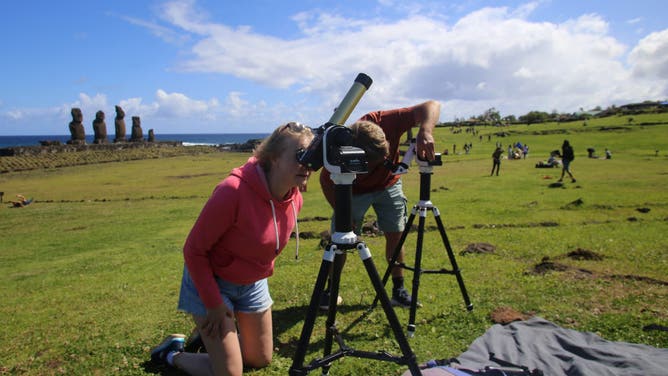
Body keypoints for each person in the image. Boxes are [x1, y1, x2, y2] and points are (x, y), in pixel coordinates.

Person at [151, 122, 314, 376]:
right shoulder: (232, 191)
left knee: (259, 359)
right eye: (299, 155)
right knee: (230, 373)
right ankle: (172, 354)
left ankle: (207, 341)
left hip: (252, 282)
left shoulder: (295, 197)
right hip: (212, 281)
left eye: (310, 156)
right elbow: (193, 250)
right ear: (273, 158)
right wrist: (213, 304)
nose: (307, 164)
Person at [319, 100, 441, 309]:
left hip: (389, 184)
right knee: (340, 240)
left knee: (396, 233)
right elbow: (325, 180)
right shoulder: (341, 147)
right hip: (353, 190)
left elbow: (432, 105)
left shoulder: (387, 121)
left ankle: (398, 290)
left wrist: (426, 131)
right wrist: (342, 211)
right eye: (374, 162)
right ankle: (331, 290)